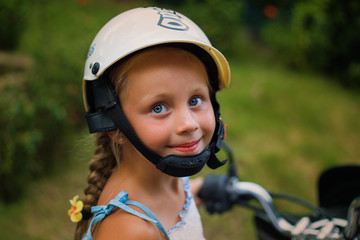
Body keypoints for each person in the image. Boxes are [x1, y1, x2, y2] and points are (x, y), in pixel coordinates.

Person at [70, 6, 231, 240]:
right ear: (113, 125)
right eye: (159, 108)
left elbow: (174, 196)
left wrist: (198, 190)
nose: (188, 124)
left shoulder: (164, 171)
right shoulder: (131, 230)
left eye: (195, 100)